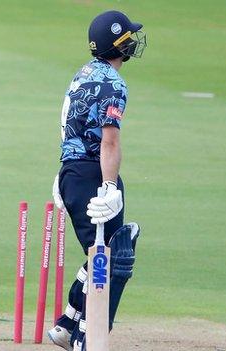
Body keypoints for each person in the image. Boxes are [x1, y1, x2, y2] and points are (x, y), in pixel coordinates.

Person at [47, 10, 146, 351]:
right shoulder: (113, 83)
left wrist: (63, 175)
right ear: (118, 44)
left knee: (99, 254)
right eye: (128, 37)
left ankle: (67, 323)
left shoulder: (84, 72)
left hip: (73, 173)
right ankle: (88, 339)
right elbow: (109, 141)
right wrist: (108, 186)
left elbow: (69, 124)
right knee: (113, 256)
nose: (133, 42)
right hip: (92, 174)